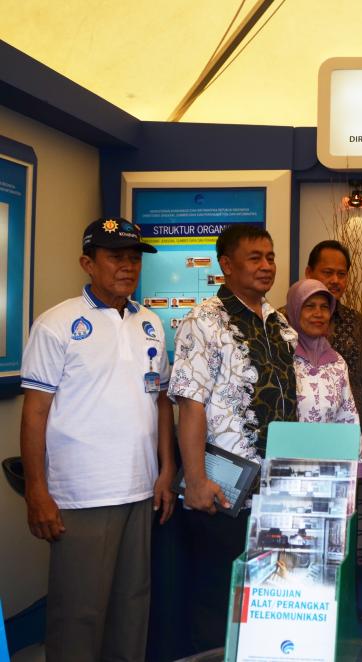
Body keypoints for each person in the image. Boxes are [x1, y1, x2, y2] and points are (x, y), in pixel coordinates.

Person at [20, 217, 174, 661]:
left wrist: (167, 470)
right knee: (79, 613)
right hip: (81, 494)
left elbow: (162, 402)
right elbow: (34, 413)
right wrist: (36, 490)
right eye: (115, 257)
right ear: (87, 263)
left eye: (134, 258)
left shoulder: (150, 322)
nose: (127, 266)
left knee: (132, 607)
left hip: (140, 489)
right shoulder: (57, 324)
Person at [170, 224, 298, 652]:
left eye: (270, 257)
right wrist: (195, 480)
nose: (267, 266)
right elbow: (190, 403)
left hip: (274, 489)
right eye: (255, 258)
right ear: (226, 265)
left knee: (266, 591)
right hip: (223, 489)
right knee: (217, 595)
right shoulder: (204, 321)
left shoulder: (278, 322)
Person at [302, 240, 362, 574]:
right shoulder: (281, 321)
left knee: (343, 527)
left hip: (345, 444)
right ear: (309, 272)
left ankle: (343, 594)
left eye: (341, 273)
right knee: (302, 527)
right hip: (299, 446)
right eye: (327, 272)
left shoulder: (358, 323)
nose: (335, 280)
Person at [285, 278, 359, 427]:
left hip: (329, 443)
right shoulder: (280, 356)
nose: (318, 313)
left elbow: (348, 419)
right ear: (294, 310)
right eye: (310, 306)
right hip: (284, 442)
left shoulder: (337, 362)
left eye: (324, 307)